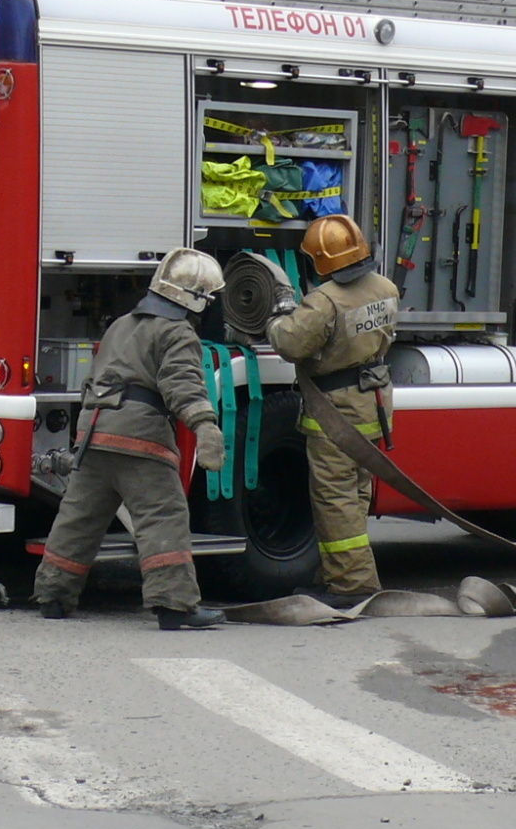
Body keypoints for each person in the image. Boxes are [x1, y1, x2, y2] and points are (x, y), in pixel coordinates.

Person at [33, 248, 230, 630]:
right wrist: (205, 425)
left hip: (94, 434)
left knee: (78, 519)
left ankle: (53, 596)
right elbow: (182, 385)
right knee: (163, 517)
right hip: (140, 439)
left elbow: (94, 380)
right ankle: (174, 606)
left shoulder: (121, 324)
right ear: (196, 298)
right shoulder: (177, 331)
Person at [266, 214, 399, 607]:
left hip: (335, 411)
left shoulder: (324, 301)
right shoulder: (386, 287)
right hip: (373, 404)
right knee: (356, 493)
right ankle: (337, 573)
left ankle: (351, 585)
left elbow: (290, 343)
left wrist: (278, 315)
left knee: (335, 498)